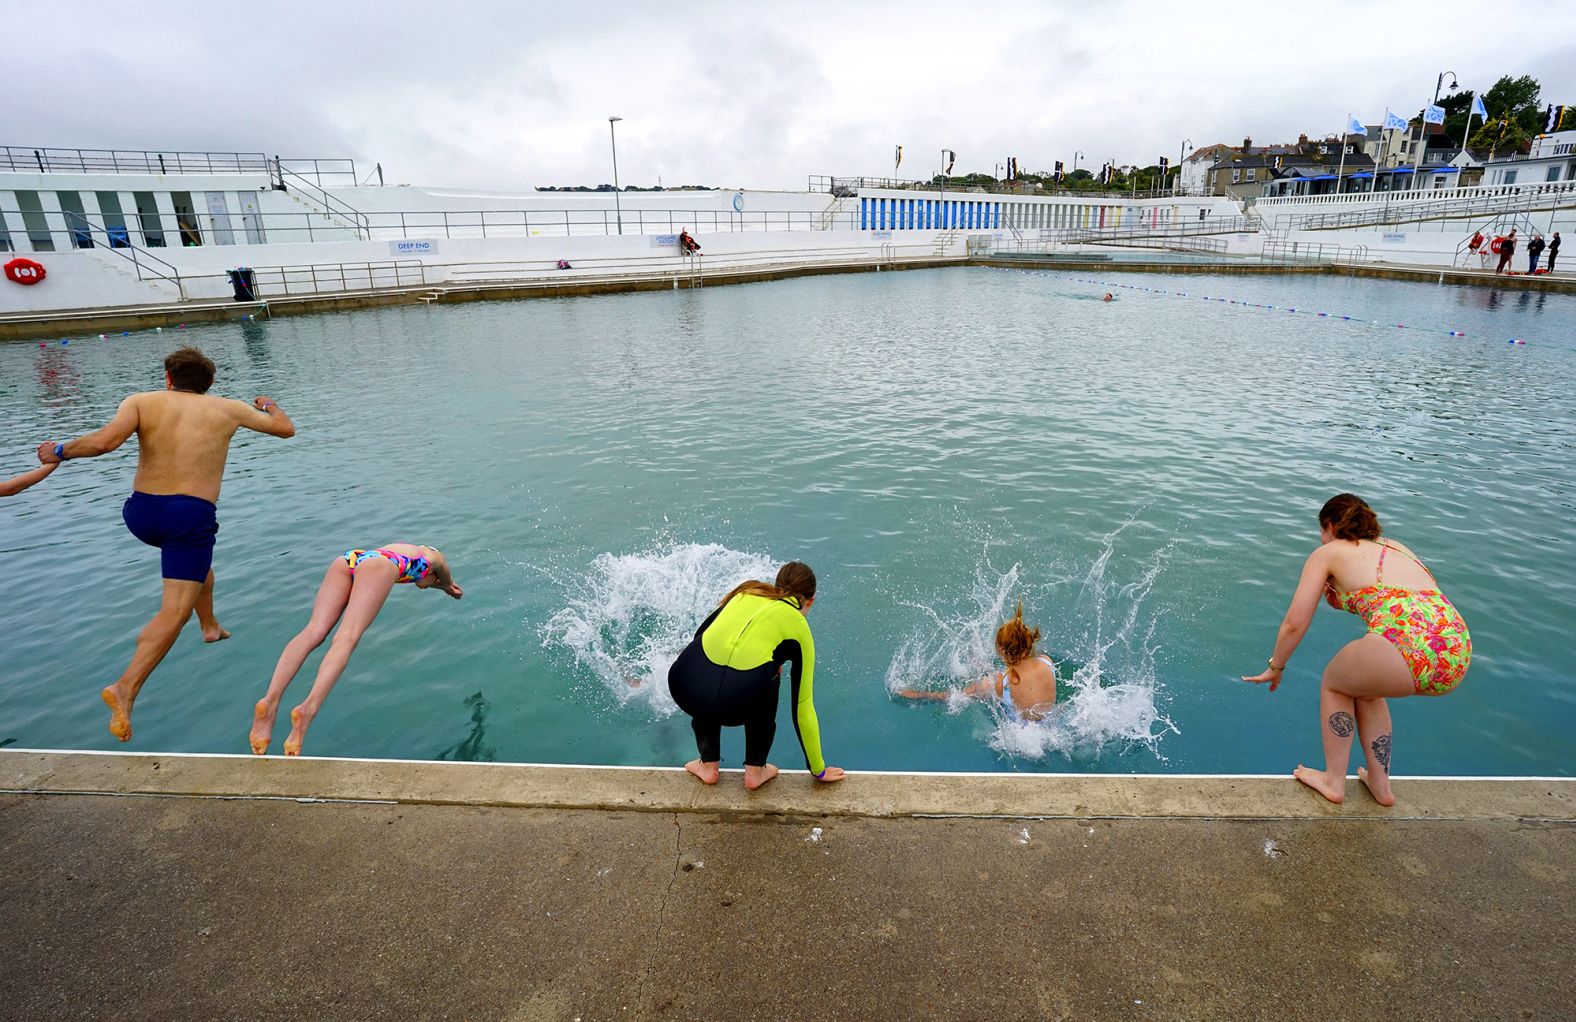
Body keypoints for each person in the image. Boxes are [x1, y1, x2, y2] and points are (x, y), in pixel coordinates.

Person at [36, 347, 295, 742]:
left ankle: (209, 626)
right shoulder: (229, 409)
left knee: (195, 570)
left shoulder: (140, 401)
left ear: (169, 379)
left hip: (141, 514)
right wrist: (268, 403)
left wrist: (58, 451)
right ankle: (126, 688)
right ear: (208, 385)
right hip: (188, 516)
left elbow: (105, 443)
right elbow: (285, 428)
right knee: (174, 609)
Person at [1241, 494, 1471, 807]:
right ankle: (1380, 784)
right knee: (1365, 689)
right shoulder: (1397, 547)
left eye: (1322, 531)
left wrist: (1276, 665)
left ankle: (1333, 781)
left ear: (1330, 526)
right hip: (1456, 648)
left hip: (1405, 641)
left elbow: (1295, 623)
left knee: (1334, 683)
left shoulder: (1328, 552)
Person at [250, 544, 462, 756]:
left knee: (313, 631)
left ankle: (270, 700)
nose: (424, 586)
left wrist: (436, 585)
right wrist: (447, 585)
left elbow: (423, 580)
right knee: (346, 637)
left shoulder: (405, 553)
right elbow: (443, 576)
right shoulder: (432, 556)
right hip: (379, 567)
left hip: (349, 559)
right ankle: (308, 709)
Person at [666, 561, 844, 790]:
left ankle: (708, 766)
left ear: (776, 584)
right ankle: (755, 771)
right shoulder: (799, 626)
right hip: (737, 705)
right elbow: (803, 708)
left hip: (685, 687)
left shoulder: (746, 592)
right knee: (771, 678)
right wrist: (818, 770)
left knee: (712, 672)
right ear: (811, 601)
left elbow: (701, 634)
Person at [898, 602, 1058, 721]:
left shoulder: (1001, 682)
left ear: (1001, 651)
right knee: (997, 678)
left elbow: (957, 697)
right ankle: (980, 664)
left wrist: (923, 694)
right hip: (1050, 727)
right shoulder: (1046, 661)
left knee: (982, 686)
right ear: (1028, 644)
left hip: (1022, 736)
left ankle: (922, 694)